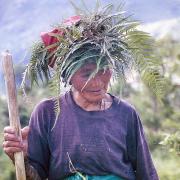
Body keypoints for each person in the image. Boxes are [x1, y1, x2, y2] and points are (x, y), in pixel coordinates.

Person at [3, 3, 160, 180]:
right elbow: (35, 177)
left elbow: (148, 175)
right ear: (66, 74)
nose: (98, 81)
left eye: (104, 69)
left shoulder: (126, 114)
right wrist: (21, 159)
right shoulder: (46, 114)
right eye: (87, 74)